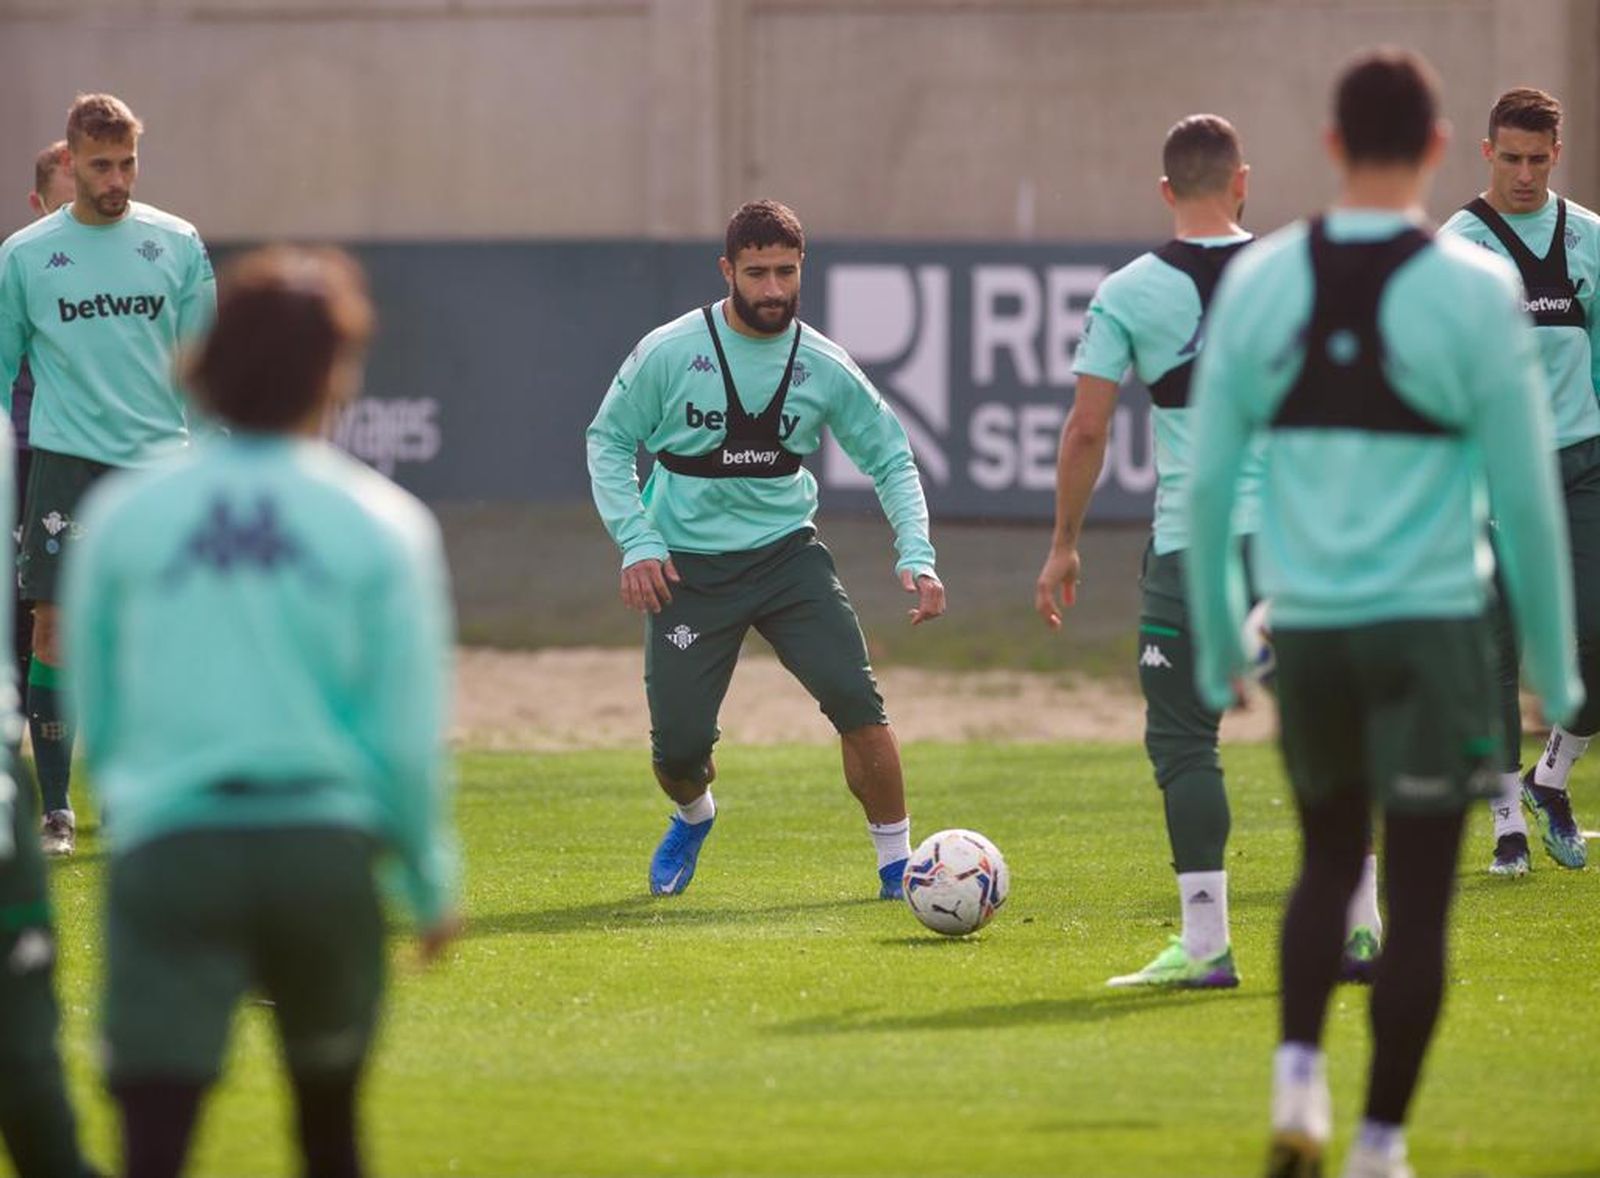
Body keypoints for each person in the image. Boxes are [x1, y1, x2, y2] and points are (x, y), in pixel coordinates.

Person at [1185, 48, 1579, 1178]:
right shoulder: (1472, 287)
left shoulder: (1260, 280)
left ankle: (1295, 1074)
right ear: (1443, 149)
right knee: (1415, 902)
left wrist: (1219, 634)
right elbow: (1526, 503)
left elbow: (1211, 485)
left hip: (1309, 626)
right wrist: (1550, 663)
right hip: (1435, 626)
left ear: (1326, 145)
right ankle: (1377, 1142)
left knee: (1322, 864)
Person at [63, 245, 461, 1178]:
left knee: (152, 1142)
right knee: (329, 1130)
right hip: (322, 853)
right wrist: (429, 881)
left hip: (170, 846)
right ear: (336, 369)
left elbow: (97, 701)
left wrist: (141, 802)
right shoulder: (383, 523)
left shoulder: (126, 514)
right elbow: (404, 735)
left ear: (207, 358)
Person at [1036, 114, 1383, 989]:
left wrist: (1064, 546)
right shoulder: (1304, 268)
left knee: (1187, 738)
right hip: (1305, 540)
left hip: (1195, 543)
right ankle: (1365, 930)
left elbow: (1086, 431)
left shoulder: (1129, 290)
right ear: (1242, 182)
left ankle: (1204, 946)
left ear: (1165, 191)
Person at [586, 198, 945, 900]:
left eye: (786, 271)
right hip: (686, 569)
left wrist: (918, 554)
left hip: (788, 560)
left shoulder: (824, 364)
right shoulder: (669, 352)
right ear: (728, 270)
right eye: (757, 273)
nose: (774, 289)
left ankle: (898, 869)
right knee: (680, 751)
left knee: (856, 701)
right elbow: (605, 439)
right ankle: (694, 814)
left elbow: (892, 457)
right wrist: (637, 541)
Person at [0, 94, 216, 857]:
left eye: (127, 163)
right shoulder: (25, 256)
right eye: (101, 165)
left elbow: (207, 369)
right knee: (53, 630)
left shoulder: (178, 242)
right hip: (65, 462)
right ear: (70, 161)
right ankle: (56, 810)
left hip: (160, 465)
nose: (117, 178)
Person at [1439, 87, 1598, 875]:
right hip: (1496, 475)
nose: (1526, 174)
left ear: (1556, 155)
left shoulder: (1591, 239)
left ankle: (1552, 778)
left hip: (1584, 467)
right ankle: (1506, 825)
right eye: (1512, 158)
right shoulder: (1457, 247)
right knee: (1497, 653)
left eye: (1539, 159)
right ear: (1486, 152)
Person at [7, 142, 74, 707]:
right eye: (66, 206)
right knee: (28, 608)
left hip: (102, 455)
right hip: (28, 454)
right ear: (37, 202)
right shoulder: (21, 266)